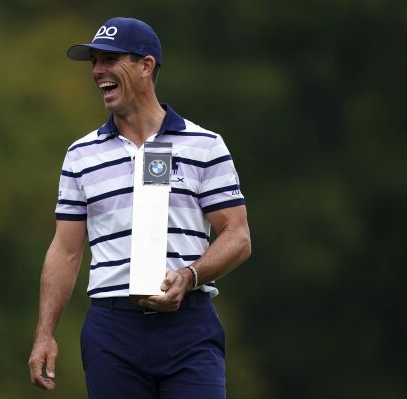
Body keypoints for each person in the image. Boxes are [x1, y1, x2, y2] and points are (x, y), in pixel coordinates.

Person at [28, 17, 251, 398]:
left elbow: (238, 235)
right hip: (112, 329)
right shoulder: (81, 155)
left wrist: (190, 275)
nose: (98, 70)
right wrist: (45, 333)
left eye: (111, 60)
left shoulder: (205, 145)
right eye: (95, 61)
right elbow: (65, 250)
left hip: (189, 324)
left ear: (146, 66)